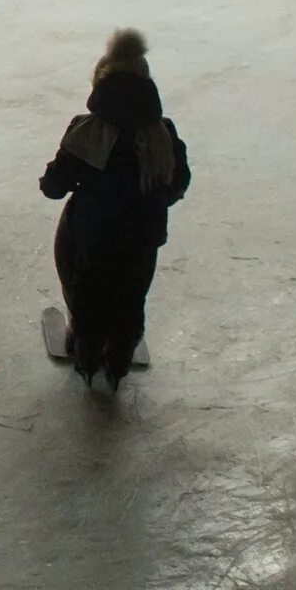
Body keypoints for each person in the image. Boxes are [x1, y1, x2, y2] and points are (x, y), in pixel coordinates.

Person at [40, 30, 192, 391]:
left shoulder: (87, 131)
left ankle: (87, 353)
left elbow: (54, 187)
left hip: (93, 235)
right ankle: (119, 359)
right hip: (144, 236)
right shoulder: (163, 134)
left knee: (88, 291)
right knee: (131, 294)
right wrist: (150, 202)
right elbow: (177, 183)